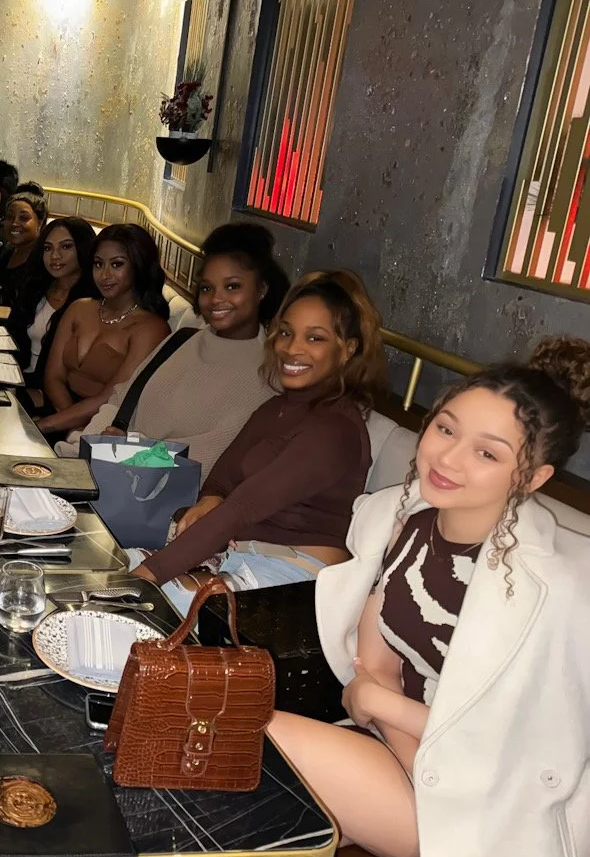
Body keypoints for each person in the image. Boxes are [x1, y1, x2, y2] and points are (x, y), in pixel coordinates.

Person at [213, 336, 590, 857]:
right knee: (237, 817)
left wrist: (383, 709)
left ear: (532, 479)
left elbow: (526, 746)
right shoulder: (407, 520)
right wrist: (386, 715)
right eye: (445, 428)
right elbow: (374, 664)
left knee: (248, 733)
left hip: (481, 807)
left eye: (487, 453)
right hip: (403, 754)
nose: (448, 458)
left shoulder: (555, 590)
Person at [131, 270, 388, 614]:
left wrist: (146, 577)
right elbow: (223, 476)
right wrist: (211, 498)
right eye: (286, 333)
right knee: (119, 562)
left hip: (296, 578)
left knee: (155, 600)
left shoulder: (335, 428)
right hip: (239, 555)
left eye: (315, 339)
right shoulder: (278, 408)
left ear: (347, 350)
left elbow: (242, 508)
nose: (292, 348)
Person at [56, 222, 289, 471]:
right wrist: (95, 442)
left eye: (232, 287)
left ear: (262, 289)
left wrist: (131, 451)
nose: (216, 299)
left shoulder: (268, 373)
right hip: (105, 468)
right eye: (208, 288)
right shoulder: (182, 340)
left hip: (159, 494)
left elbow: (209, 456)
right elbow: (120, 399)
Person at [33, 225, 172, 437]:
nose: (104, 275)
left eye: (117, 264)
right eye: (98, 264)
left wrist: (46, 426)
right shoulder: (79, 307)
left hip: (104, 430)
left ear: (138, 266)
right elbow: (53, 377)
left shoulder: (151, 328)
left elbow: (111, 397)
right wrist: (70, 428)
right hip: (61, 416)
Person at [5, 217, 99, 405]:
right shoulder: (36, 287)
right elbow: (12, 336)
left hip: (49, 394)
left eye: (65, 247)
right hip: (17, 377)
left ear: (83, 249)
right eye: (48, 248)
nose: (54, 256)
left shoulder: (90, 302)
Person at [0, 182, 49, 305]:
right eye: (10, 217)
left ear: (40, 222)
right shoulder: (8, 250)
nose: (14, 223)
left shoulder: (43, 259)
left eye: (24, 218)